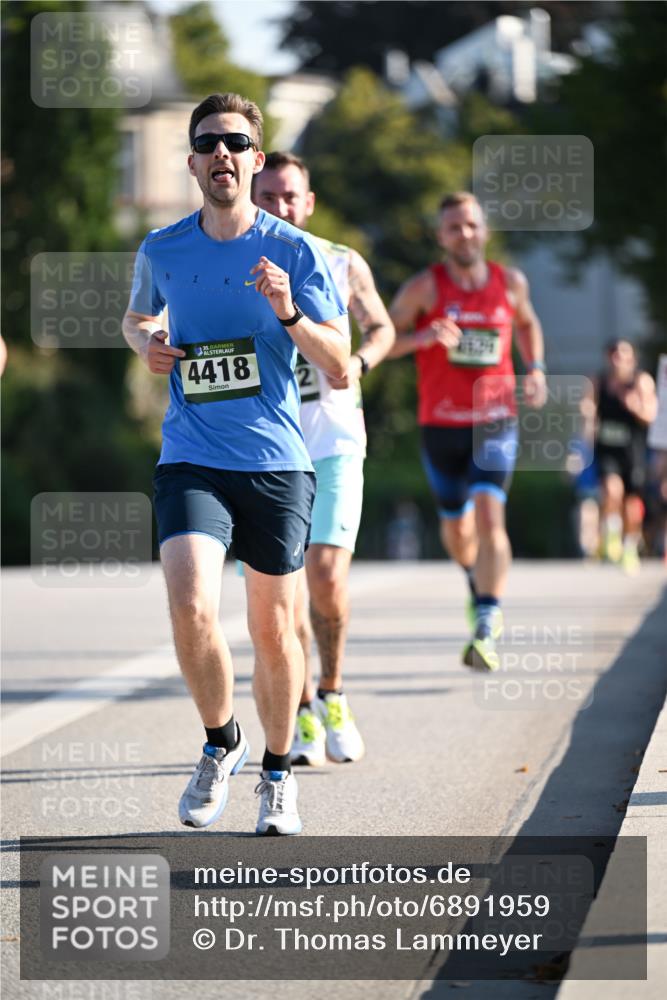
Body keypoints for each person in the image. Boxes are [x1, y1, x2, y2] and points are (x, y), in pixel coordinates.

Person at [122, 94, 349, 835]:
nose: (222, 153)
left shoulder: (298, 251)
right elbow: (137, 316)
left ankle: (278, 773)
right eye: (208, 142)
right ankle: (221, 741)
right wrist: (146, 341)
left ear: (255, 158)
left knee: (274, 631)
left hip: (277, 464)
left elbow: (340, 364)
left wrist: (288, 313)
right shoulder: (162, 248)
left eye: (236, 142)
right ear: (191, 161)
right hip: (191, 453)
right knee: (189, 602)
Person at [252, 152, 395, 766]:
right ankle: (303, 705)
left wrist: (358, 363)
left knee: (327, 576)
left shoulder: (341, 261)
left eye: (292, 196)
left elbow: (382, 328)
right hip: (266, 447)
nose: (282, 207)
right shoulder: (234, 265)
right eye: (271, 196)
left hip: (335, 440)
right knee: (285, 591)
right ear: (254, 199)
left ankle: (333, 691)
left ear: (308, 202)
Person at [388, 192, 546, 671]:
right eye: (454, 227)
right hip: (441, 425)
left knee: (489, 516)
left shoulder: (510, 282)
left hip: (494, 420)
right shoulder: (424, 289)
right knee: (458, 529)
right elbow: (383, 339)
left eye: (472, 225)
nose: (465, 234)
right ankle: (475, 585)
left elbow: (528, 322)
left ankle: (487, 618)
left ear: (485, 230)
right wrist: (422, 336)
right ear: (442, 236)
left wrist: (535, 368)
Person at [592, 338, 657, 573]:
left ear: (632, 358)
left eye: (623, 354)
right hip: (607, 449)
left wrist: (635, 407)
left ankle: (629, 547)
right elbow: (588, 415)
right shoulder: (599, 382)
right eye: (613, 354)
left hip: (633, 450)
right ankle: (611, 534)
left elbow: (652, 414)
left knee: (631, 505)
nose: (618, 359)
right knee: (611, 490)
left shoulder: (641, 381)